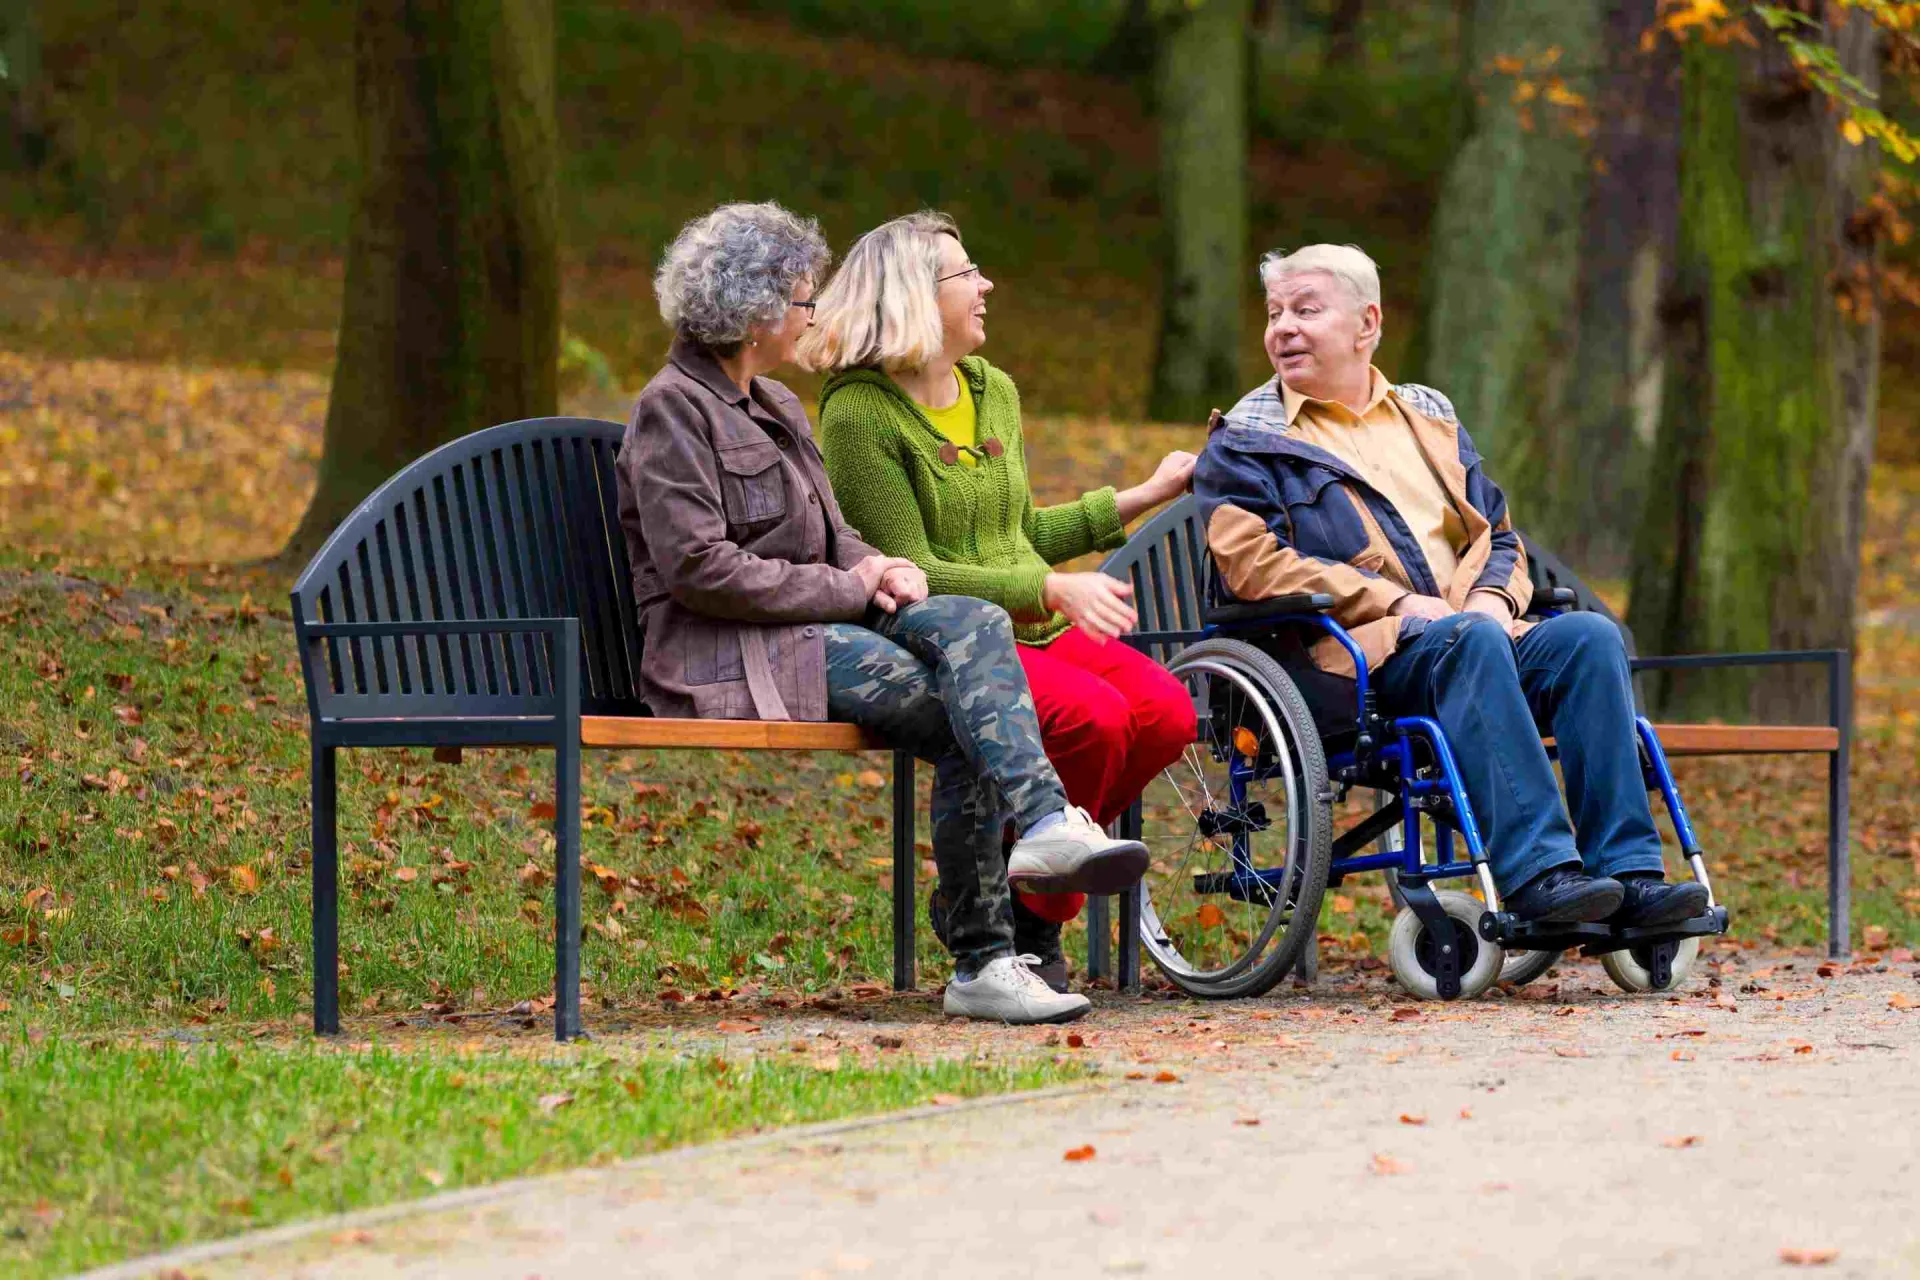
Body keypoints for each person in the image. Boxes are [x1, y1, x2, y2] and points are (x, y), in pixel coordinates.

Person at [615, 202, 1150, 1025]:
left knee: (972, 627)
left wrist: (878, 565)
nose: (813, 316)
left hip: (812, 628)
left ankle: (1042, 832)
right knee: (960, 705)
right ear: (755, 312)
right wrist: (852, 587)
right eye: (802, 301)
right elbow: (698, 570)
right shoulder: (672, 412)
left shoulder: (777, 406)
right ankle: (986, 952)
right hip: (737, 651)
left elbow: (836, 538)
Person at [1191, 243, 1710, 927]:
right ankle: (1540, 875)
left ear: (1366, 324)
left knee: (1587, 638)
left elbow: (1496, 532)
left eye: (1306, 309)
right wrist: (1398, 602)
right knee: (1467, 643)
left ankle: (1630, 876)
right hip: (1351, 658)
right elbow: (1251, 563)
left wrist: (1494, 601)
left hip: (1469, 638)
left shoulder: (1426, 418)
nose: (1283, 327)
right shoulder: (1246, 442)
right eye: (1275, 312)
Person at [803, 211, 1199, 981]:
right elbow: (910, 568)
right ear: (915, 295)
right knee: (1093, 722)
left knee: (1165, 715)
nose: (986, 285)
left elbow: (1020, 531)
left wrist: (1146, 492)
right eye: (966, 273)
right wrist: (1048, 586)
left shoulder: (996, 391)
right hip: (958, 636)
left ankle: (1019, 904)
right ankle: (1028, 927)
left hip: (1040, 623)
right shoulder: (858, 414)